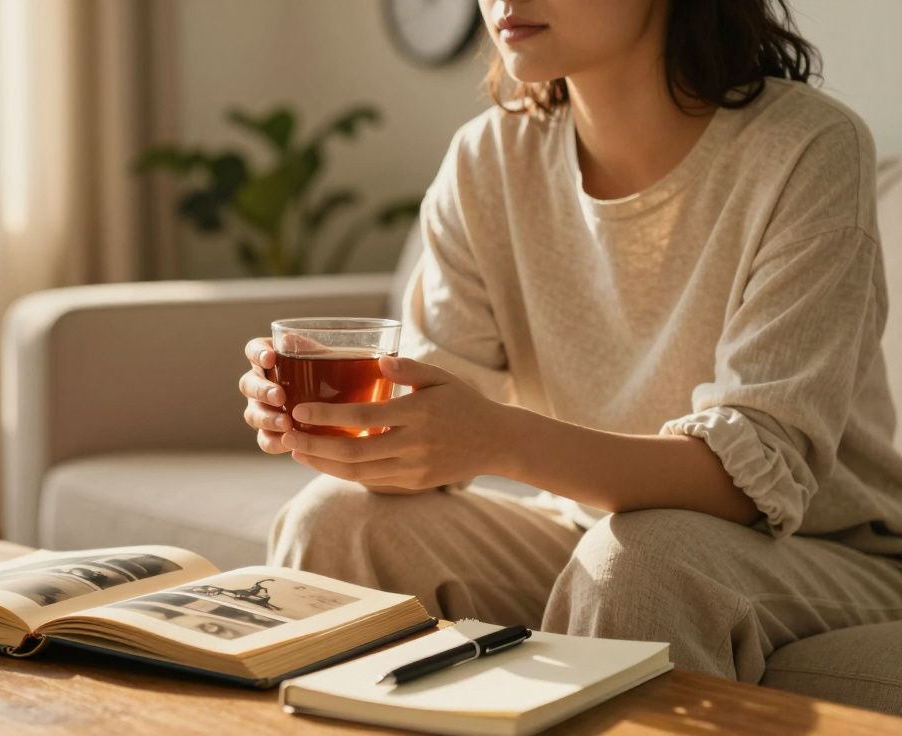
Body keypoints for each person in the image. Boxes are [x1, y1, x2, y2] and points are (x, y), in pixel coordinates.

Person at [238, 0, 902, 683]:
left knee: (641, 563)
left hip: (818, 549)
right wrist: (345, 424)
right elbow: (430, 430)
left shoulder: (807, 149)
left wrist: (499, 438)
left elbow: (755, 476)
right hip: (587, 530)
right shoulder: (487, 160)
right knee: (333, 519)